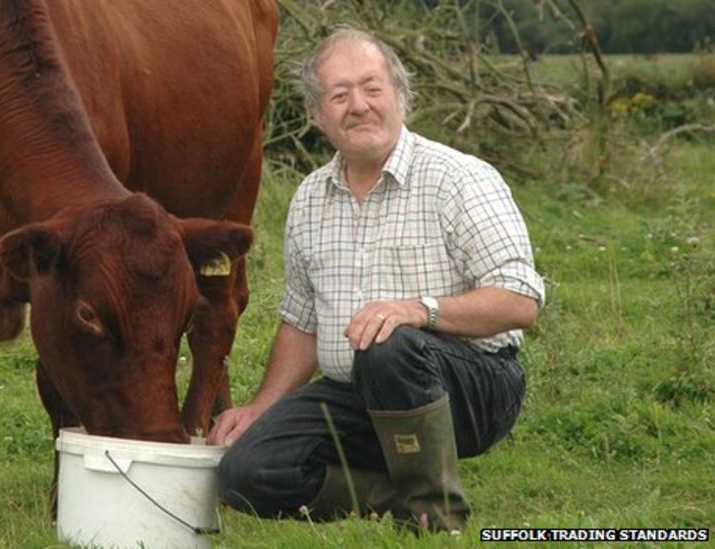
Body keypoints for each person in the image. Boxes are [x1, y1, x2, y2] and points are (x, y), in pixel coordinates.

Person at [209, 27, 545, 533]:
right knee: (246, 472)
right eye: (339, 95)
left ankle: (436, 515)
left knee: (390, 343)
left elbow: (521, 300)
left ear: (400, 96)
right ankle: (399, 495)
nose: (358, 106)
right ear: (317, 115)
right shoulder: (309, 199)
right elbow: (302, 322)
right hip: (360, 395)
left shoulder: (459, 178)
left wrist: (418, 310)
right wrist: (261, 406)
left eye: (371, 88)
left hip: (472, 387)